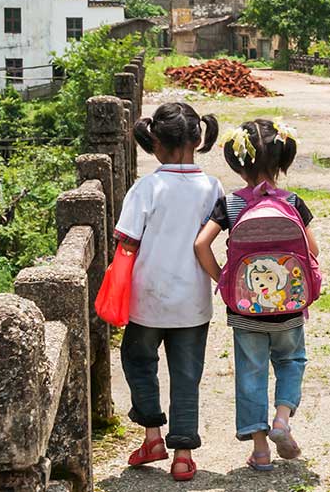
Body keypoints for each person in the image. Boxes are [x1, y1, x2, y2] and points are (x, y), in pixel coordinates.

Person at [194, 120, 318, 472]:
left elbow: (201, 244)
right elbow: (313, 251)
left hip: (245, 309)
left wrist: (225, 280)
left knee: (251, 373)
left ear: (238, 162)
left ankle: (260, 450)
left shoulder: (231, 204)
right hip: (289, 308)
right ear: (282, 160)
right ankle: (282, 419)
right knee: (291, 360)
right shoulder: (292, 202)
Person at [116, 103, 222, 482]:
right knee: (187, 375)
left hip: (148, 298)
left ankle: (152, 436)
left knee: (137, 359)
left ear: (155, 143)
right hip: (193, 301)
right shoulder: (212, 187)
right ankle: (182, 456)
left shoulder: (147, 187)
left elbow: (127, 241)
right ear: (197, 139)